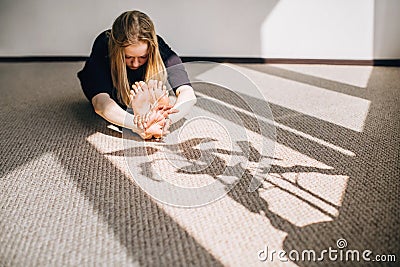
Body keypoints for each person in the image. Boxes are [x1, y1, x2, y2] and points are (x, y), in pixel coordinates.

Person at [77, 10, 196, 139]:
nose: (135, 63)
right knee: (113, 102)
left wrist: (169, 120)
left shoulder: (158, 45)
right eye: (128, 57)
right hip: (110, 86)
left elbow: (188, 93)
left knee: (168, 98)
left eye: (143, 57)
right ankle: (142, 111)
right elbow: (101, 103)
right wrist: (139, 126)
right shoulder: (104, 44)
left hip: (140, 86)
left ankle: (148, 109)